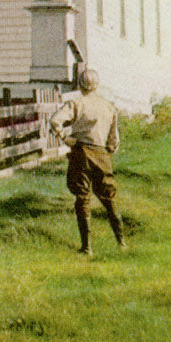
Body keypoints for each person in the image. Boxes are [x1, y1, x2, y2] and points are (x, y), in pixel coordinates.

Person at [50, 68, 127, 256]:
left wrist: (64, 137)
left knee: (83, 198)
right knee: (109, 198)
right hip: (101, 155)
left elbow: (54, 121)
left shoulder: (76, 103)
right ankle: (122, 242)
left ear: (80, 85)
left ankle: (87, 247)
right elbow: (114, 141)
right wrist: (106, 151)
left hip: (81, 153)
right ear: (97, 85)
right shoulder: (108, 107)